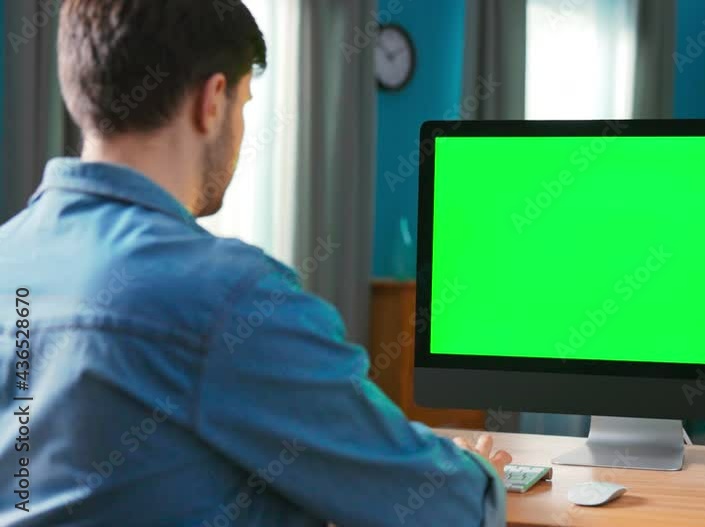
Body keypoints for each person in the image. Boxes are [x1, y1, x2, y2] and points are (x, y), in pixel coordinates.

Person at [0, 1, 510, 525]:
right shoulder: (226, 298)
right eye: (244, 101)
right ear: (213, 100)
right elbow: (438, 505)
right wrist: (479, 476)